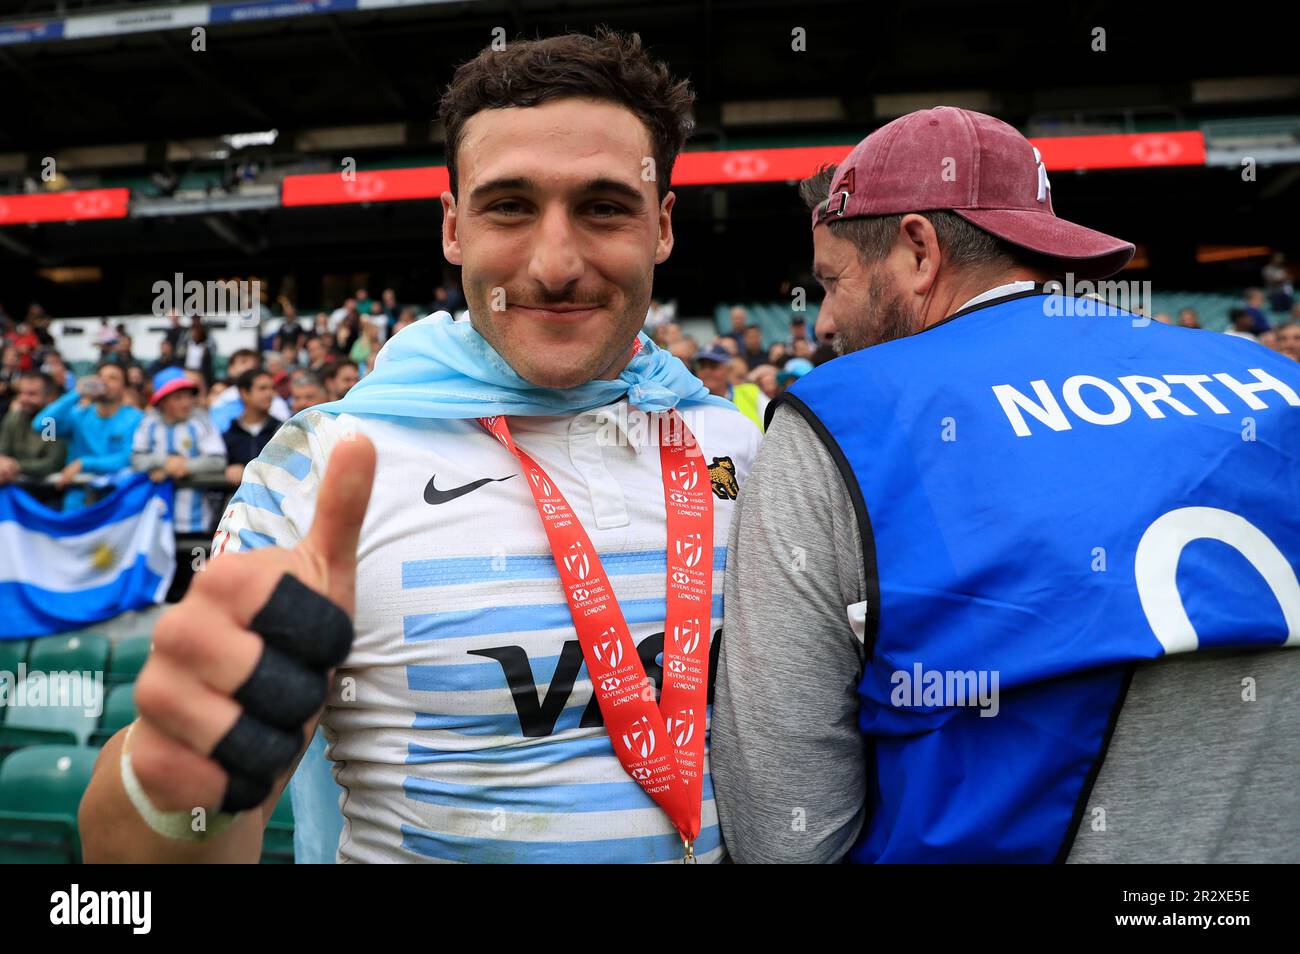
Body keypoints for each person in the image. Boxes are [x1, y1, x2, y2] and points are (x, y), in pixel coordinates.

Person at [81, 28, 759, 865]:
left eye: (603, 207)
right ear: (452, 228)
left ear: (661, 227)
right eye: (508, 205)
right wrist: (175, 776)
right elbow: (139, 864)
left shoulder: (742, 448)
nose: (554, 264)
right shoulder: (325, 468)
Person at [712, 106, 1300, 864]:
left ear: (918, 250)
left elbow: (784, 832)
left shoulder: (842, 419)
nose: (823, 321)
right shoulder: (1274, 380)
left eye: (832, 281)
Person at [33, 360, 144, 510]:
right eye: (100, 376)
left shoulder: (136, 418)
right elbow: (42, 426)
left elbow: (128, 458)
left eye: (113, 378)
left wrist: (84, 463)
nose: (104, 382)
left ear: (125, 389)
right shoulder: (79, 415)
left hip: (117, 501)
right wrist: (76, 393)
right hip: (78, 502)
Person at [0, 371, 66, 485]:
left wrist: (17, 466)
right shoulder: (14, 417)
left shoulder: (49, 422)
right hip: (11, 486)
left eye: (32, 394)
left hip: (46, 492)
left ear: (50, 397)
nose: (24, 399)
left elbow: (51, 463)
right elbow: (3, 451)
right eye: (21, 393)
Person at [222, 368, 281, 486]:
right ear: (244, 393)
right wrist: (226, 470)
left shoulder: (282, 430)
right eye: (262, 388)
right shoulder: (229, 434)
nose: (269, 394)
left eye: (272, 388)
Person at [209, 349, 291, 432]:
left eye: (254, 363)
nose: (249, 366)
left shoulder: (276, 403)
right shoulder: (222, 401)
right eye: (243, 362)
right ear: (231, 369)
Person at [694, 344, 765, 430]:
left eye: (713, 366)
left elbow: (773, 424)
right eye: (702, 366)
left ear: (728, 369)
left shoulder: (750, 392)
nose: (707, 371)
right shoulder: (690, 402)